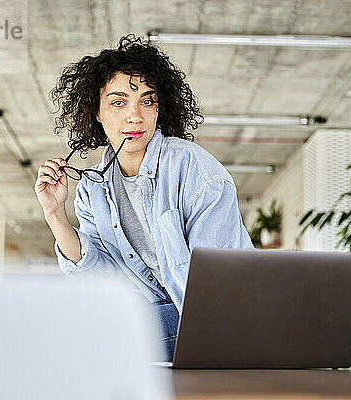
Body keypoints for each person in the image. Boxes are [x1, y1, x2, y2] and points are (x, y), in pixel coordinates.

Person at [34, 34, 253, 361]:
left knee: (87, 341)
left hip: (223, 320)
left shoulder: (195, 170)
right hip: (166, 320)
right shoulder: (93, 188)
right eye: (118, 102)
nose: (134, 117)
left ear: (159, 108)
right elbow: (100, 279)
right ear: (96, 111)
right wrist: (55, 215)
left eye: (147, 101)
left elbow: (219, 286)